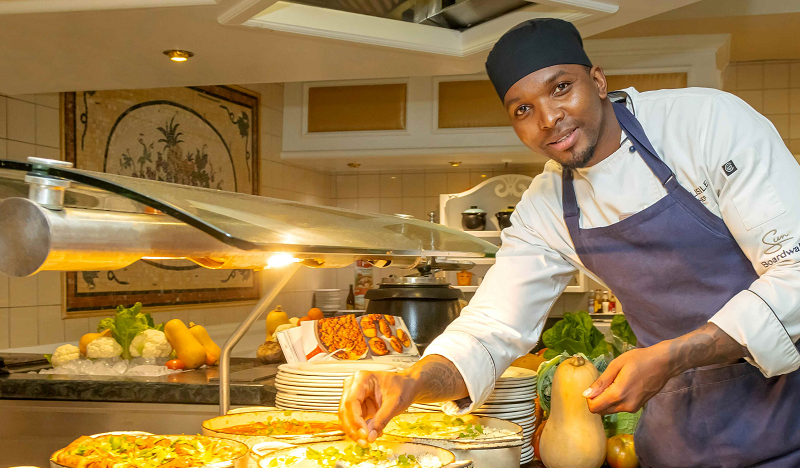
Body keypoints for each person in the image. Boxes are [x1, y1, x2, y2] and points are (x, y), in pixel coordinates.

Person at [339, 18, 800, 467]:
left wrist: (673, 355)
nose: (548, 119)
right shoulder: (545, 207)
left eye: (561, 87)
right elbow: (490, 328)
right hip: (679, 437)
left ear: (598, 80)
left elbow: (795, 274)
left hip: (788, 422)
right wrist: (411, 382)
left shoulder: (705, 124)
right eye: (522, 109)